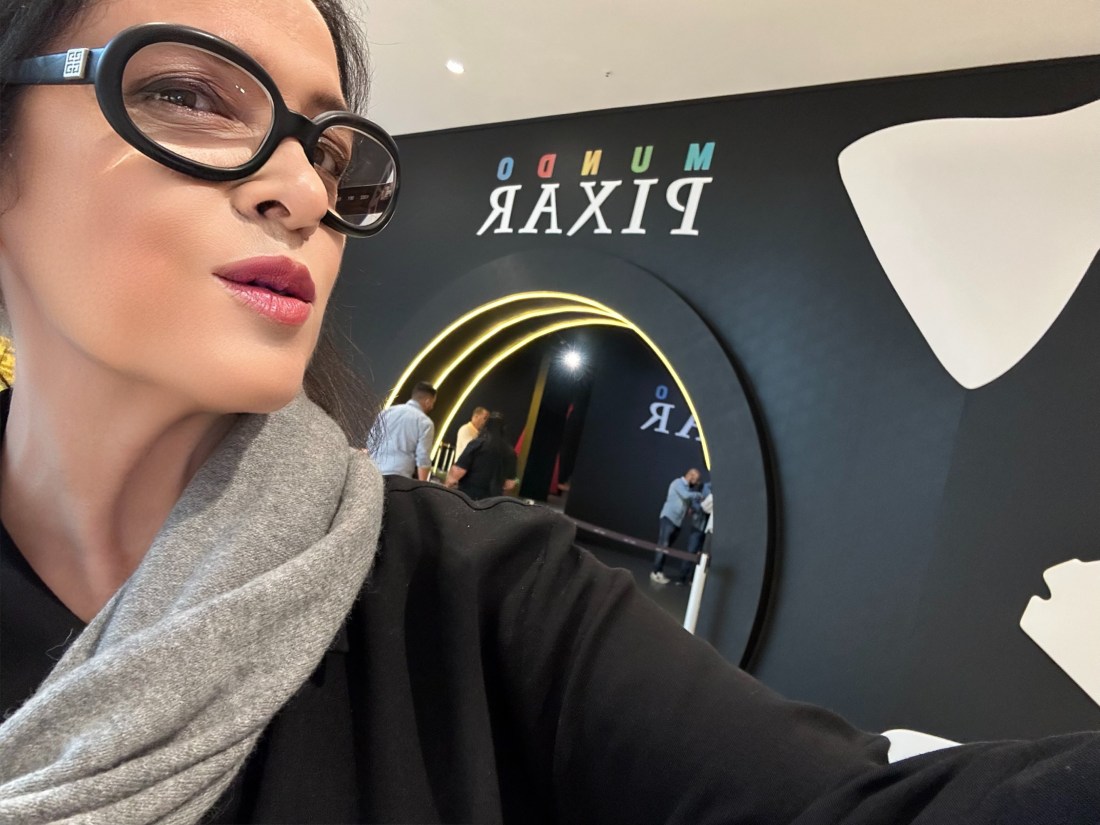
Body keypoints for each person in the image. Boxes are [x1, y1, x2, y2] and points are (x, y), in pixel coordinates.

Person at [1, 1, 1099, 823]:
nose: (301, 191)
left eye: (329, 152)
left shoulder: (482, 596)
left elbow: (850, 805)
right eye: (188, 95)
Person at [368, 380, 436, 480]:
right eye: (433, 403)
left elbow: (371, 442)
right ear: (428, 401)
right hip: (398, 477)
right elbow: (423, 459)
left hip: (374, 472)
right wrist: (423, 484)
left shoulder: (387, 412)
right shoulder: (425, 423)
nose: (432, 406)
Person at [445, 411, 517, 500]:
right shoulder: (510, 452)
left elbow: (458, 471)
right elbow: (510, 484)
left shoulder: (477, 444)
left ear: (485, 426)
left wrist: (447, 486)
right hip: (492, 501)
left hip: (468, 497)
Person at [650, 468, 702, 585]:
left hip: (677, 522)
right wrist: (698, 495)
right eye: (697, 479)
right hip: (668, 518)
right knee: (663, 545)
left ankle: (659, 571)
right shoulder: (678, 483)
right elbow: (685, 496)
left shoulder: (689, 490)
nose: (697, 482)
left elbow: (689, 505)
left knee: (666, 548)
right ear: (691, 476)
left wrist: (694, 508)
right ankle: (655, 572)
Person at [675, 481, 712, 585]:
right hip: (698, 525)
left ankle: (694, 579)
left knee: (702, 556)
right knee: (691, 552)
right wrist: (701, 505)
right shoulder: (705, 487)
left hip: (708, 529)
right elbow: (697, 504)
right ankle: (682, 578)